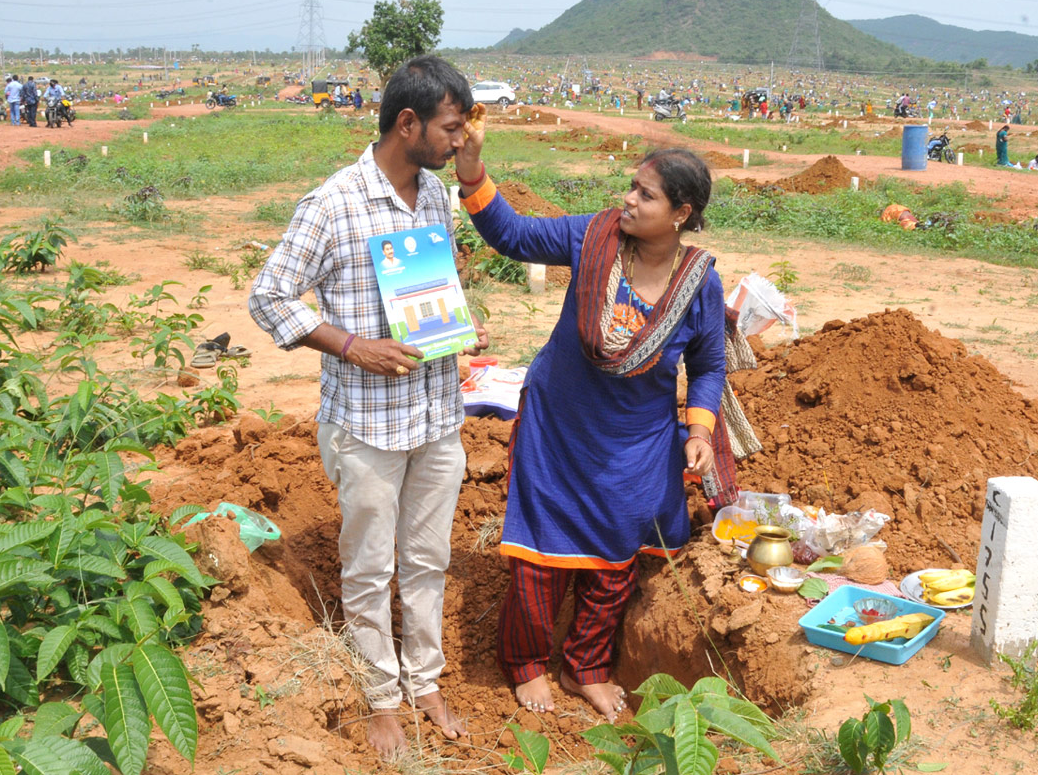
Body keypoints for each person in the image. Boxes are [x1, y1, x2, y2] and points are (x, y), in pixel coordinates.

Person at [249, 55, 486, 758]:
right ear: (407, 123)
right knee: (369, 565)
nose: (458, 142)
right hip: (369, 426)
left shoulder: (437, 197)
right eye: (450, 128)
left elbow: (429, 286)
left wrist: (454, 325)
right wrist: (353, 346)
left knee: (427, 558)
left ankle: (426, 680)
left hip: (437, 415)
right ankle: (381, 696)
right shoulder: (333, 203)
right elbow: (269, 297)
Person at [456, 133, 734, 722]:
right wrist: (474, 171)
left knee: (617, 558)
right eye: (632, 186)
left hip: (636, 442)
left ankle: (585, 665)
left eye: (646, 194)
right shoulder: (594, 236)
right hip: (559, 428)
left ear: (681, 214)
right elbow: (514, 234)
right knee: (540, 554)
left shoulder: (698, 283)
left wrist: (700, 433)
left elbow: (708, 366)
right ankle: (526, 660)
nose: (628, 199)